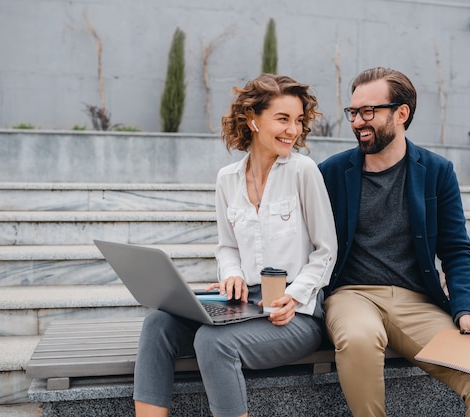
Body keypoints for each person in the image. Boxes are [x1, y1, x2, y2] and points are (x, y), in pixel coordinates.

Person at [133, 73, 337, 417]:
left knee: (212, 343)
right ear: (252, 119)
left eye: (298, 120)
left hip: (295, 314)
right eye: (283, 119)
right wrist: (231, 275)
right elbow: (227, 246)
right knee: (158, 323)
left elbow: (326, 250)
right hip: (242, 305)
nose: (293, 130)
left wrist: (296, 295)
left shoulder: (303, 171)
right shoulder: (227, 178)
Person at [318, 67, 470, 417]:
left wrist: (465, 309)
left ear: (401, 113)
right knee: (359, 339)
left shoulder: (437, 171)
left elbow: (455, 248)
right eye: (353, 112)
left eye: (368, 111)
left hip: (417, 304)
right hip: (352, 296)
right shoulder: (330, 172)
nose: (358, 121)